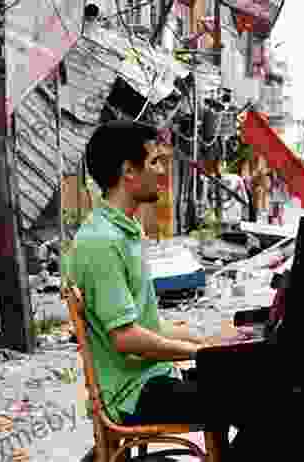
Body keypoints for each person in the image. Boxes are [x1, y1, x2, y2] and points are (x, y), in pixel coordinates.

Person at [67, 121, 258, 461]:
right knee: (260, 400)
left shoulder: (122, 231)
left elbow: (146, 325)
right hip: (135, 393)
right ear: (128, 171)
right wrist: (196, 354)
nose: (163, 173)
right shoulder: (101, 242)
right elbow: (126, 339)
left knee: (252, 383)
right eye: (155, 162)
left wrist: (208, 342)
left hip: (151, 378)